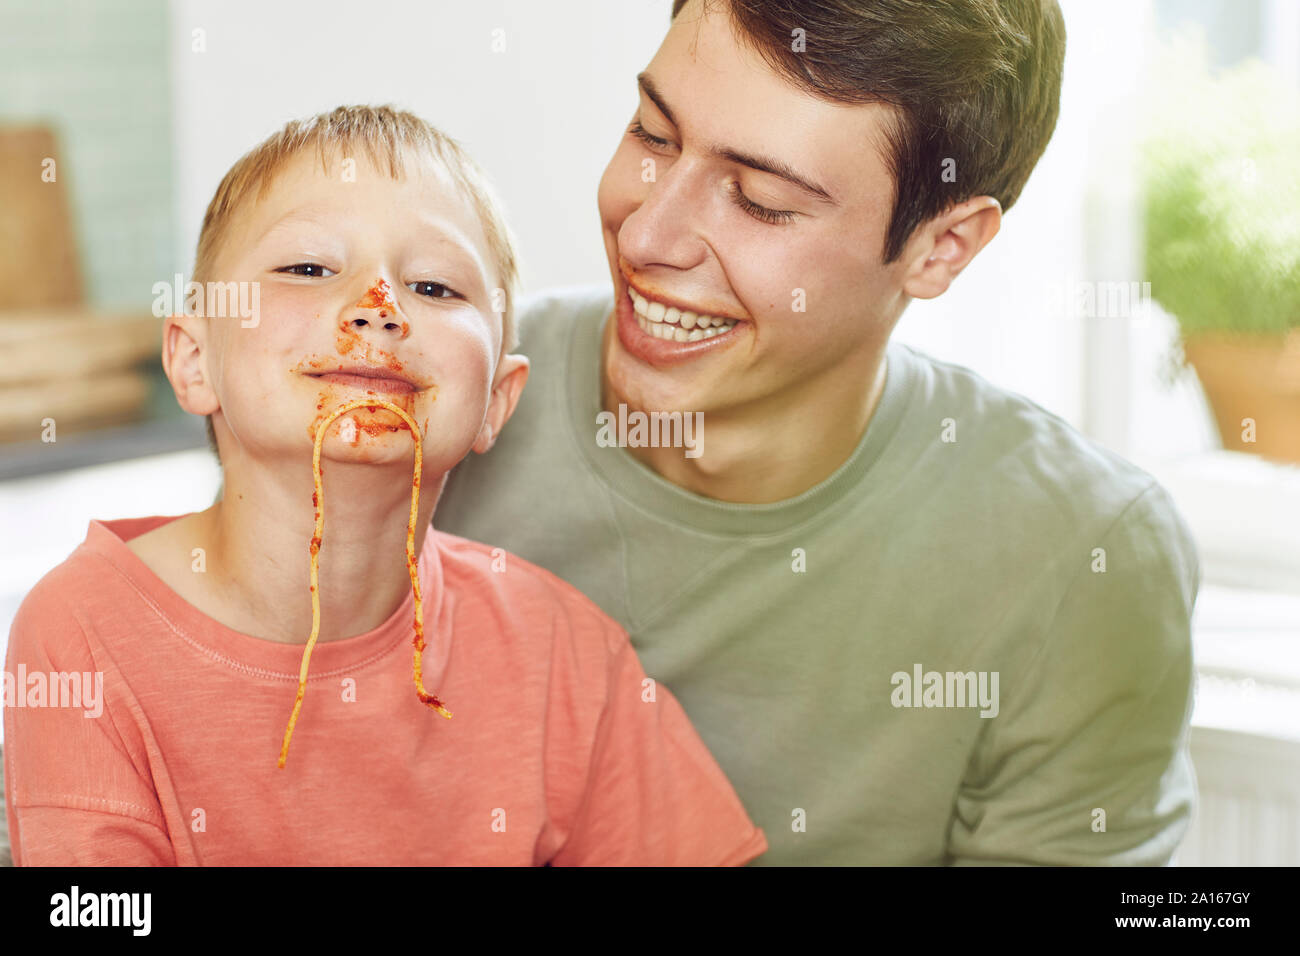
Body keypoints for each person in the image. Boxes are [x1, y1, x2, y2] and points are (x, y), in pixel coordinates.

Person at [437, 0, 1201, 865]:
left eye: (761, 202)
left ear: (942, 247)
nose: (646, 234)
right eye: (653, 136)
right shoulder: (426, 400)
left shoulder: (1086, 560)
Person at [2, 105, 767, 866]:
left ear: (497, 402)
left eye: (434, 286)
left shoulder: (564, 653)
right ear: (194, 360)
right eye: (307, 269)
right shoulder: (80, 635)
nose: (378, 311)